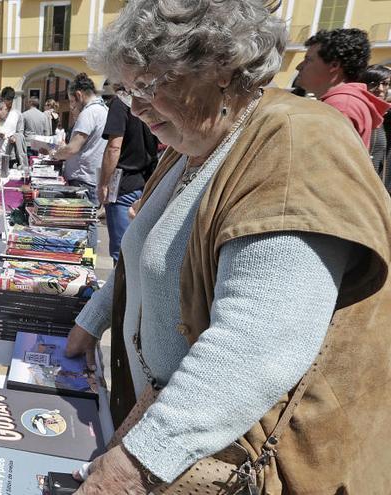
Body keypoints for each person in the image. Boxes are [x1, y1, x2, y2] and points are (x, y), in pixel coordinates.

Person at [66, 1, 391, 493]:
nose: (135, 107)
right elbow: (139, 253)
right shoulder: (194, 141)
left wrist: (132, 468)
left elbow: (258, 344)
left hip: (230, 453)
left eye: (149, 87)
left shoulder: (295, 141)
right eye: (126, 90)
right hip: (171, 427)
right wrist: (89, 326)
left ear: (221, 68)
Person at [295, 28, 390, 148]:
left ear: (334, 65)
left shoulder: (341, 107)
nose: (299, 67)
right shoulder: (345, 102)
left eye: (308, 60)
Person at [97, 85, 158, 263]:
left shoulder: (120, 103)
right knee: (137, 252)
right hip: (146, 182)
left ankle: (121, 291)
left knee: (122, 256)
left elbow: (114, 147)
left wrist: (103, 184)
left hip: (123, 185)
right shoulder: (149, 99)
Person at [50, 73, 108, 251]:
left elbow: (73, 148)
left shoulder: (89, 113)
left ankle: (85, 264)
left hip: (82, 179)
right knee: (88, 223)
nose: (72, 106)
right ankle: (87, 261)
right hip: (91, 177)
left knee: (82, 227)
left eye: (72, 101)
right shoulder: (103, 110)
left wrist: (56, 153)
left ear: (79, 95)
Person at [360, 64, 391, 184]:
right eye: (373, 83)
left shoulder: (385, 115)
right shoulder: (360, 112)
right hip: (364, 187)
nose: (381, 89)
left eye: (385, 84)